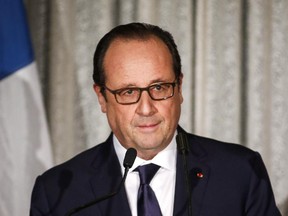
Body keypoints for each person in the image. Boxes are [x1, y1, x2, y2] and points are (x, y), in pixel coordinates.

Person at [30, 22, 281, 216]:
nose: (146, 108)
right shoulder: (58, 193)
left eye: (159, 88)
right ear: (102, 98)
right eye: (128, 92)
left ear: (179, 87)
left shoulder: (240, 173)